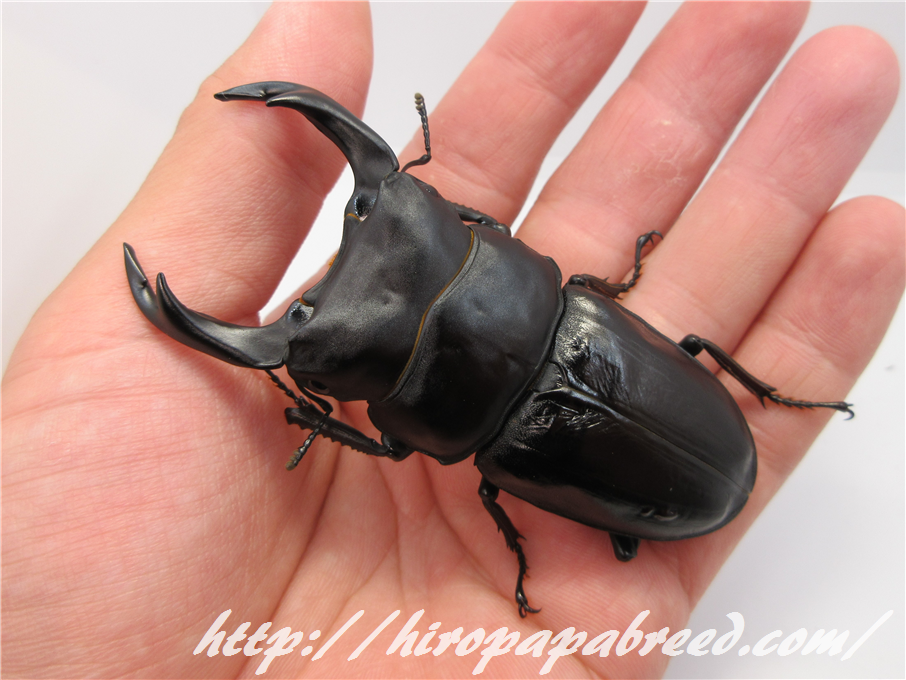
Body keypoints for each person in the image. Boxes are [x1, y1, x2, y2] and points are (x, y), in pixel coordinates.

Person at [2, 2, 902, 677]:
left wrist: (313, 398)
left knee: (674, 350)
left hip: (671, 473)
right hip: (667, 454)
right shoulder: (582, 309)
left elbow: (397, 444)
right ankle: (776, 396)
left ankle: (773, 398)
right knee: (690, 340)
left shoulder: (502, 439)